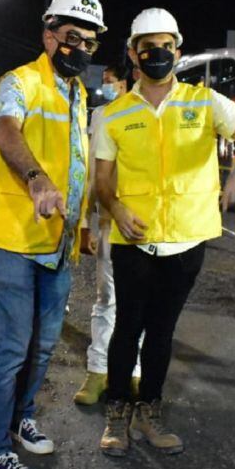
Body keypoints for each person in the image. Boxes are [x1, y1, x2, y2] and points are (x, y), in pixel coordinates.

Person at [95, 8, 235, 457]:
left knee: (161, 332)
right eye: (148, 47)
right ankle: (117, 415)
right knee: (126, 329)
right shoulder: (113, 114)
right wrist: (115, 208)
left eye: (166, 46)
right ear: (134, 54)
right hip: (133, 243)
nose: (158, 54)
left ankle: (149, 411)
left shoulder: (205, 101)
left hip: (188, 242)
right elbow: (102, 181)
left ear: (178, 47)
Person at [0, 0, 104, 469]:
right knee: (9, 347)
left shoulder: (78, 93)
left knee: (42, 345)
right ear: (49, 35)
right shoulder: (18, 83)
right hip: (9, 237)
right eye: (73, 38)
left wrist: (83, 225)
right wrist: (36, 179)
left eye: (90, 41)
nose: (82, 49)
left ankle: (19, 417)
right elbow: (7, 132)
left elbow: (77, 163)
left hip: (57, 243)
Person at [74, 64, 144, 406]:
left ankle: (134, 373)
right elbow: (91, 171)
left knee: (142, 303)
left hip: (146, 225)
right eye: (105, 83)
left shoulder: (157, 115)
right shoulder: (101, 116)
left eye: (111, 82)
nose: (108, 88)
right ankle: (98, 370)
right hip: (107, 222)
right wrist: (86, 220)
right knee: (106, 300)